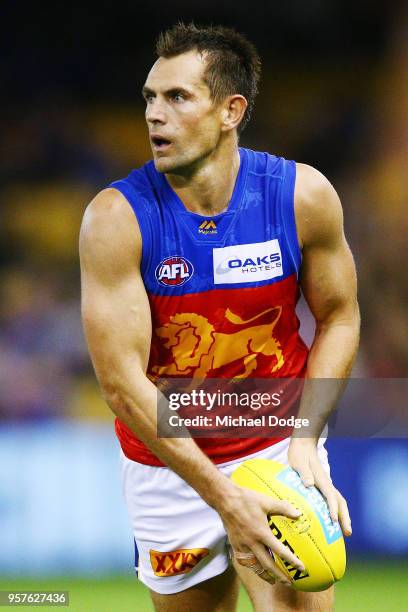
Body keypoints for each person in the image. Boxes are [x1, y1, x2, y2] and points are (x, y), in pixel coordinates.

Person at [79, 22, 360, 612]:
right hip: (170, 465)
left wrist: (306, 439)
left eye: (177, 97)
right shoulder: (116, 218)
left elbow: (339, 316)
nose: (155, 115)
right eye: (149, 99)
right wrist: (222, 495)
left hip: (275, 446)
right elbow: (121, 384)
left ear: (232, 110)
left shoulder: (301, 196)